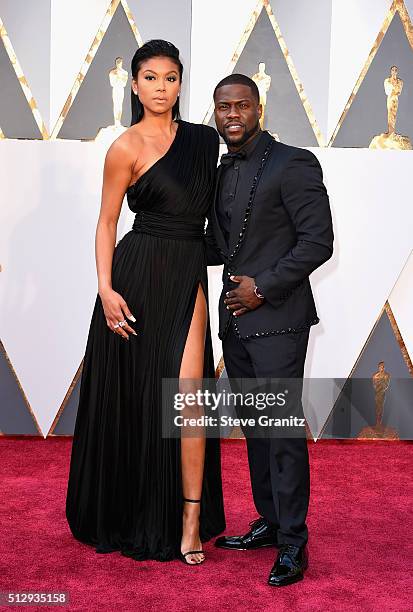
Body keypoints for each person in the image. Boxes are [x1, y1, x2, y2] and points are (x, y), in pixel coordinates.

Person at [66, 40, 225, 565]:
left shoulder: (204, 141)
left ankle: (190, 517)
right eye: (151, 78)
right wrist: (106, 289)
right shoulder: (124, 148)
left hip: (186, 272)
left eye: (171, 77)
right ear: (135, 85)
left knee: (188, 400)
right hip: (135, 278)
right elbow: (108, 222)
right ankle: (134, 508)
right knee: (136, 401)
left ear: (181, 84)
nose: (162, 87)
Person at [205, 74, 333, 586]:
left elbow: (317, 241)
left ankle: (294, 544)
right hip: (234, 325)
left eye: (241, 105)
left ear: (258, 108)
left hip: (278, 321)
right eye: (222, 107)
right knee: (256, 431)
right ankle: (272, 521)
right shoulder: (220, 170)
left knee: (281, 433)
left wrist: (265, 287)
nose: (232, 114)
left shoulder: (294, 162)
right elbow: (220, 247)